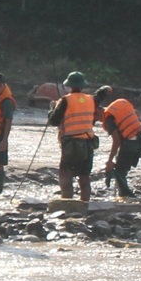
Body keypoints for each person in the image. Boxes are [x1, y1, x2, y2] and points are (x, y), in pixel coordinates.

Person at [46, 71, 99, 201]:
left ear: (69, 86)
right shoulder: (91, 99)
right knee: (84, 176)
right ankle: (85, 204)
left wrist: (52, 108)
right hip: (88, 143)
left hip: (71, 143)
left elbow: (53, 121)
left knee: (66, 174)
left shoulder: (65, 100)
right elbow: (99, 97)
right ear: (82, 85)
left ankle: (67, 202)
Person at [95, 85, 141, 198]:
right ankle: (121, 195)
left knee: (119, 172)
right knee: (121, 170)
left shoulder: (108, 118)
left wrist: (109, 161)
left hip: (130, 143)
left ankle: (127, 196)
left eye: (96, 117)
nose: (97, 120)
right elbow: (136, 114)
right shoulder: (117, 108)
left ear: (99, 112)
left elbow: (117, 141)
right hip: (139, 141)